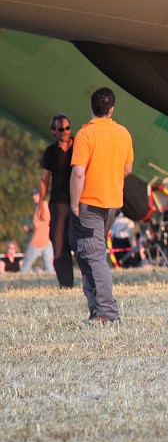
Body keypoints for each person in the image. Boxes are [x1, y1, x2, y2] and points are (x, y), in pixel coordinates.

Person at [70, 88, 134, 324]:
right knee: (89, 254)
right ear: (112, 109)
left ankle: (107, 312)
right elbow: (127, 169)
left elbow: (78, 174)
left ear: (92, 107)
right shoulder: (123, 133)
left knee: (94, 256)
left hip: (89, 203)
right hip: (112, 204)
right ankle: (96, 310)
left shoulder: (85, 135)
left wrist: (74, 204)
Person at [39, 113, 76, 288]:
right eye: (61, 129)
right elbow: (44, 179)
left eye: (67, 128)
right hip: (58, 203)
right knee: (59, 241)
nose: (65, 131)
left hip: (80, 201)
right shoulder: (50, 152)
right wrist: (41, 203)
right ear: (53, 131)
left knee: (78, 240)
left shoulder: (79, 146)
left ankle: (90, 279)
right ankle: (66, 282)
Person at [20, 190, 54, 273]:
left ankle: (19, 278)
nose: (33, 197)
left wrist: (30, 228)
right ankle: (52, 279)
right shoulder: (46, 205)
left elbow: (38, 224)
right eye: (33, 195)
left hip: (39, 239)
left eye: (36, 194)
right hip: (47, 238)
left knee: (27, 263)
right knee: (48, 264)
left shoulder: (42, 206)